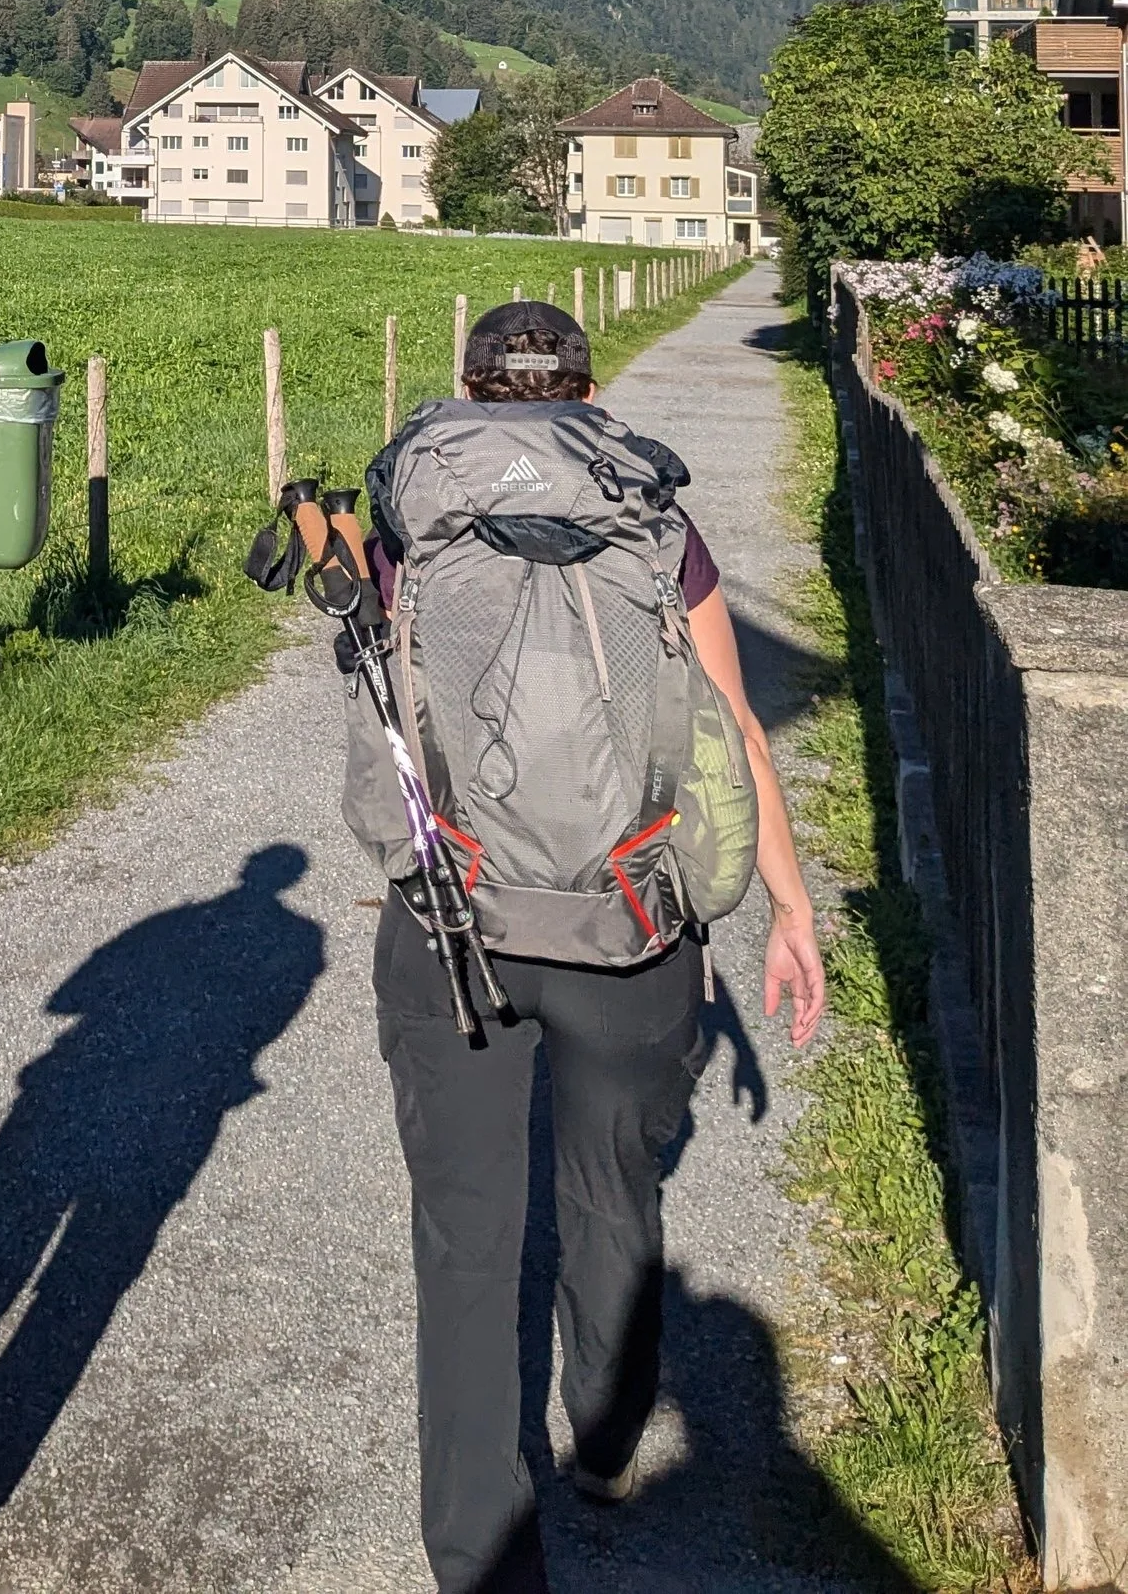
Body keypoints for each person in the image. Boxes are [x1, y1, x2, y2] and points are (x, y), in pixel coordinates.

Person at [361, 299, 825, 1594]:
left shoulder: (412, 514)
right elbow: (729, 729)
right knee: (614, 1187)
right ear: (584, 386)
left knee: (464, 1240)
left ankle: (481, 1561)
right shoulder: (655, 522)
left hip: (457, 919)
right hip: (632, 921)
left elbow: (395, 722)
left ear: (465, 388)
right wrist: (787, 908)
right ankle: (610, 1435)